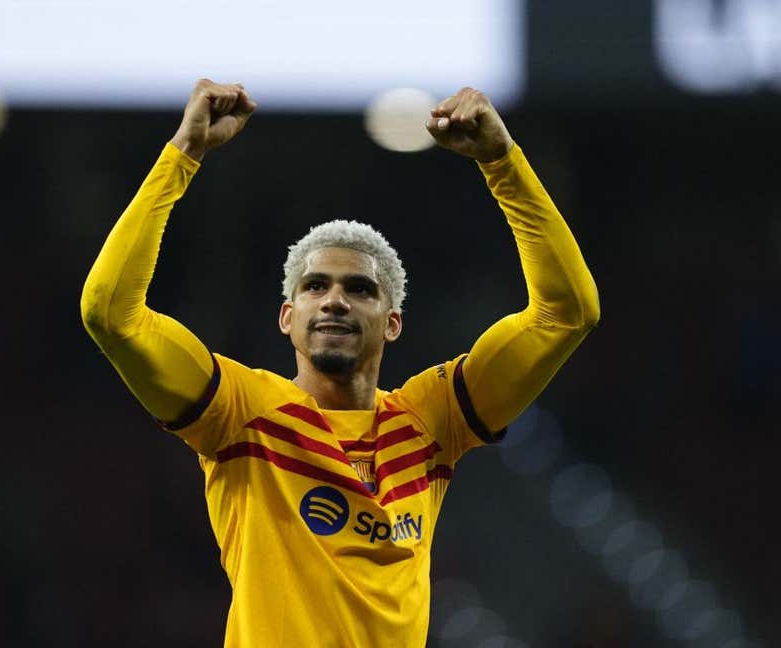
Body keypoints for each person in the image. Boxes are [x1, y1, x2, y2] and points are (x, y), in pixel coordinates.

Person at [80, 79, 599, 647]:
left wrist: (503, 163)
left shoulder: (431, 421)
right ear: (288, 317)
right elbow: (111, 314)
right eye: (315, 286)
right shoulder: (240, 411)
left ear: (392, 322)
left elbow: (566, 315)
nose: (333, 299)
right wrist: (182, 154)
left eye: (359, 288)